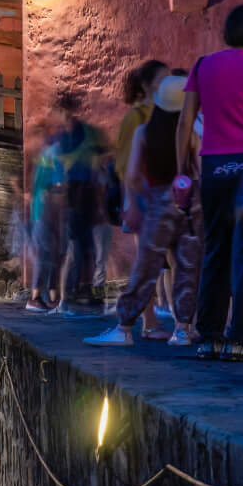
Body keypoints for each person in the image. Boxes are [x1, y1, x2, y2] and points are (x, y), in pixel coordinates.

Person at [179, 4, 243, 361]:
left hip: (214, 167)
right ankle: (241, 341)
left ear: (227, 31)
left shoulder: (203, 66)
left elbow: (185, 122)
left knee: (215, 251)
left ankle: (209, 337)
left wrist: (183, 167)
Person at [87, 72, 200, 346]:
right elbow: (200, 170)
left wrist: (139, 203)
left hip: (157, 204)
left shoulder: (144, 133)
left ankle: (124, 327)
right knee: (187, 267)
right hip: (189, 204)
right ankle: (183, 329)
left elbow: (133, 176)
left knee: (147, 268)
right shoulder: (192, 134)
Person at [27, 91, 110, 315]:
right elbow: (44, 181)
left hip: (78, 197)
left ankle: (63, 297)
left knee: (76, 249)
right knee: (66, 250)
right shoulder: (59, 142)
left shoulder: (77, 137)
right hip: (63, 200)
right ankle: (56, 298)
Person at [109, 59, 170, 313]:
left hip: (162, 191)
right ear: (146, 86)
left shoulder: (165, 112)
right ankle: (147, 320)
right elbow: (124, 165)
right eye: (162, 80)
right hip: (142, 193)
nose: (168, 84)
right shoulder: (135, 117)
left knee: (167, 258)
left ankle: (172, 315)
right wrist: (131, 202)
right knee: (148, 261)